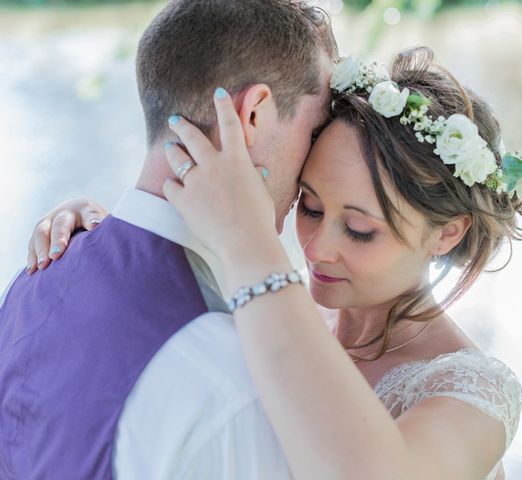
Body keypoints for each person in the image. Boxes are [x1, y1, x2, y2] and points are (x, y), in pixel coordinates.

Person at [25, 48, 522, 479]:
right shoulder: (285, 308)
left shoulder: (474, 393)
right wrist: (104, 230)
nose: (315, 248)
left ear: (447, 233)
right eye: (309, 207)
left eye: (360, 230)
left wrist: (247, 239)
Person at [0, 0, 337, 478]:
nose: (315, 166)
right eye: (316, 127)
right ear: (254, 115)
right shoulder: (233, 380)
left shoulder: (31, 281)